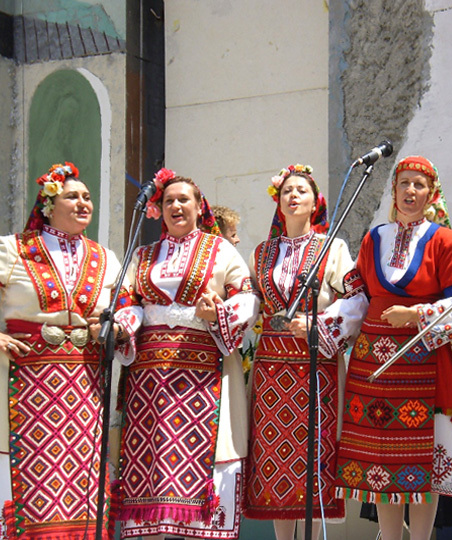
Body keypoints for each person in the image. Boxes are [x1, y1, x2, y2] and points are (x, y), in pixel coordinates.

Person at [114, 168, 259, 539]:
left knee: (206, 464)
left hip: (203, 376)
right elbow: (128, 301)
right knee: (151, 462)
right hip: (149, 383)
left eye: (184, 200)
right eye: (168, 201)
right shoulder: (143, 254)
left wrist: (219, 313)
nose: (176, 206)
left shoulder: (220, 249)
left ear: (199, 207)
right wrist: (124, 324)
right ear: (158, 210)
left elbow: (246, 296)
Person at [335, 156, 452, 540]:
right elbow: (358, 298)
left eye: (419, 185)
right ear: (393, 191)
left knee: (421, 459)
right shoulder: (374, 238)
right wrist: (324, 328)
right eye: (404, 183)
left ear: (432, 193)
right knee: (380, 460)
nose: (410, 191)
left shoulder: (446, 241)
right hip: (373, 364)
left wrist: (416, 315)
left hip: (423, 360)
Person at [0, 162, 127, 540]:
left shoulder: (106, 258)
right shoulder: (13, 248)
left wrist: (116, 328)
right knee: (26, 468)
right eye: (72, 196)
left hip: (84, 384)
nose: (83, 202)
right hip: (23, 378)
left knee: (81, 470)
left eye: (87, 197)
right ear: (48, 204)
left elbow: (123, 311)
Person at [242, 164, 368, 540]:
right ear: (278, 203)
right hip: (270, 366)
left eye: (302, 191)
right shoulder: (262, 253)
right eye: (286, 192)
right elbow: (251, 300)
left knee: (312, 454)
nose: (293, 196)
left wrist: (320, 324)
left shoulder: (333, 248)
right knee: (275, 458)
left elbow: (357, 296)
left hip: (314, 361)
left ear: (316, 203)